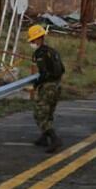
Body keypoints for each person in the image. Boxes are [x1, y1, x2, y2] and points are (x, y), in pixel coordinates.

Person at [28, 24, 65, 153]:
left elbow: (43, 73)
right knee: (48, 113)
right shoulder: (52, 51)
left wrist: (36, 83)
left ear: (38, 38)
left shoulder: (40, 53)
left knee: (39, 113)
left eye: (33, 40)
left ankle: (54, 139)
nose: (32, 42)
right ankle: (44, 138)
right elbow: (62, 69)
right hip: (57, 85)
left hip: (48, 86)